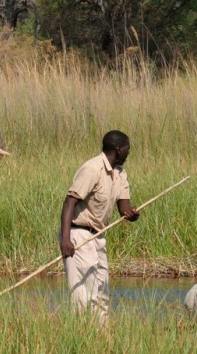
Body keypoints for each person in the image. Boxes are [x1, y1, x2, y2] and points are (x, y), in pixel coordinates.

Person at [59, 130, 140, 323]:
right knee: (83, 295)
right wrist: (66, 240)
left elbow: (124, 208)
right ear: (118, 149)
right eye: (127, 149)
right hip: (78, 236)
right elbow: (69, 203)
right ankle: (79, 336)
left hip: (98, 237)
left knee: (102, 291)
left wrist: (132, 214)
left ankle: (102, 338)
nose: (129, 153)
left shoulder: (120, 172)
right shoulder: (92, 169)